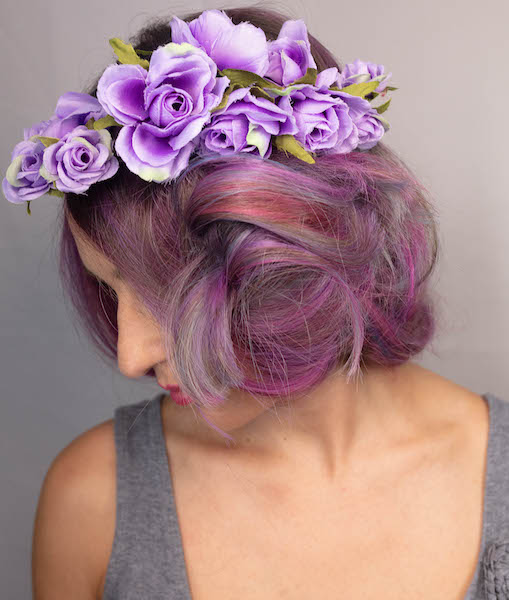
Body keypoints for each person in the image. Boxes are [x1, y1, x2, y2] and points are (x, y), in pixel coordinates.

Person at [4, 6, 508, 600]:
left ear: (307, 260)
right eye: (112, 293)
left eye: (169, 297)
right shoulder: (92, 501)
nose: (130, 357)